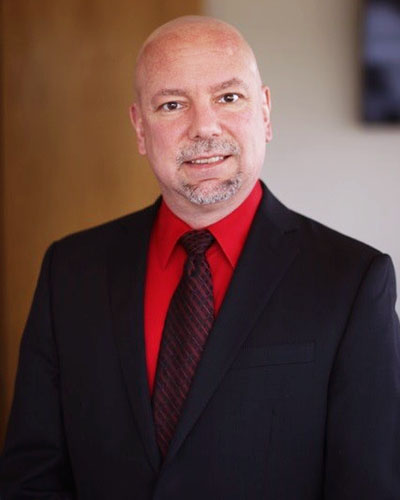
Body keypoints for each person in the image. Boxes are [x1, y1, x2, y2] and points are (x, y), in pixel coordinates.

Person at [0, 15, 399, 500]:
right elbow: (32, 477)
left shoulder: (353, 282)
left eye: (228, 98)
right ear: (140, 128)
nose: (203, 126)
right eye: (172, 105)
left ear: (266, 112)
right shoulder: (69, 272)